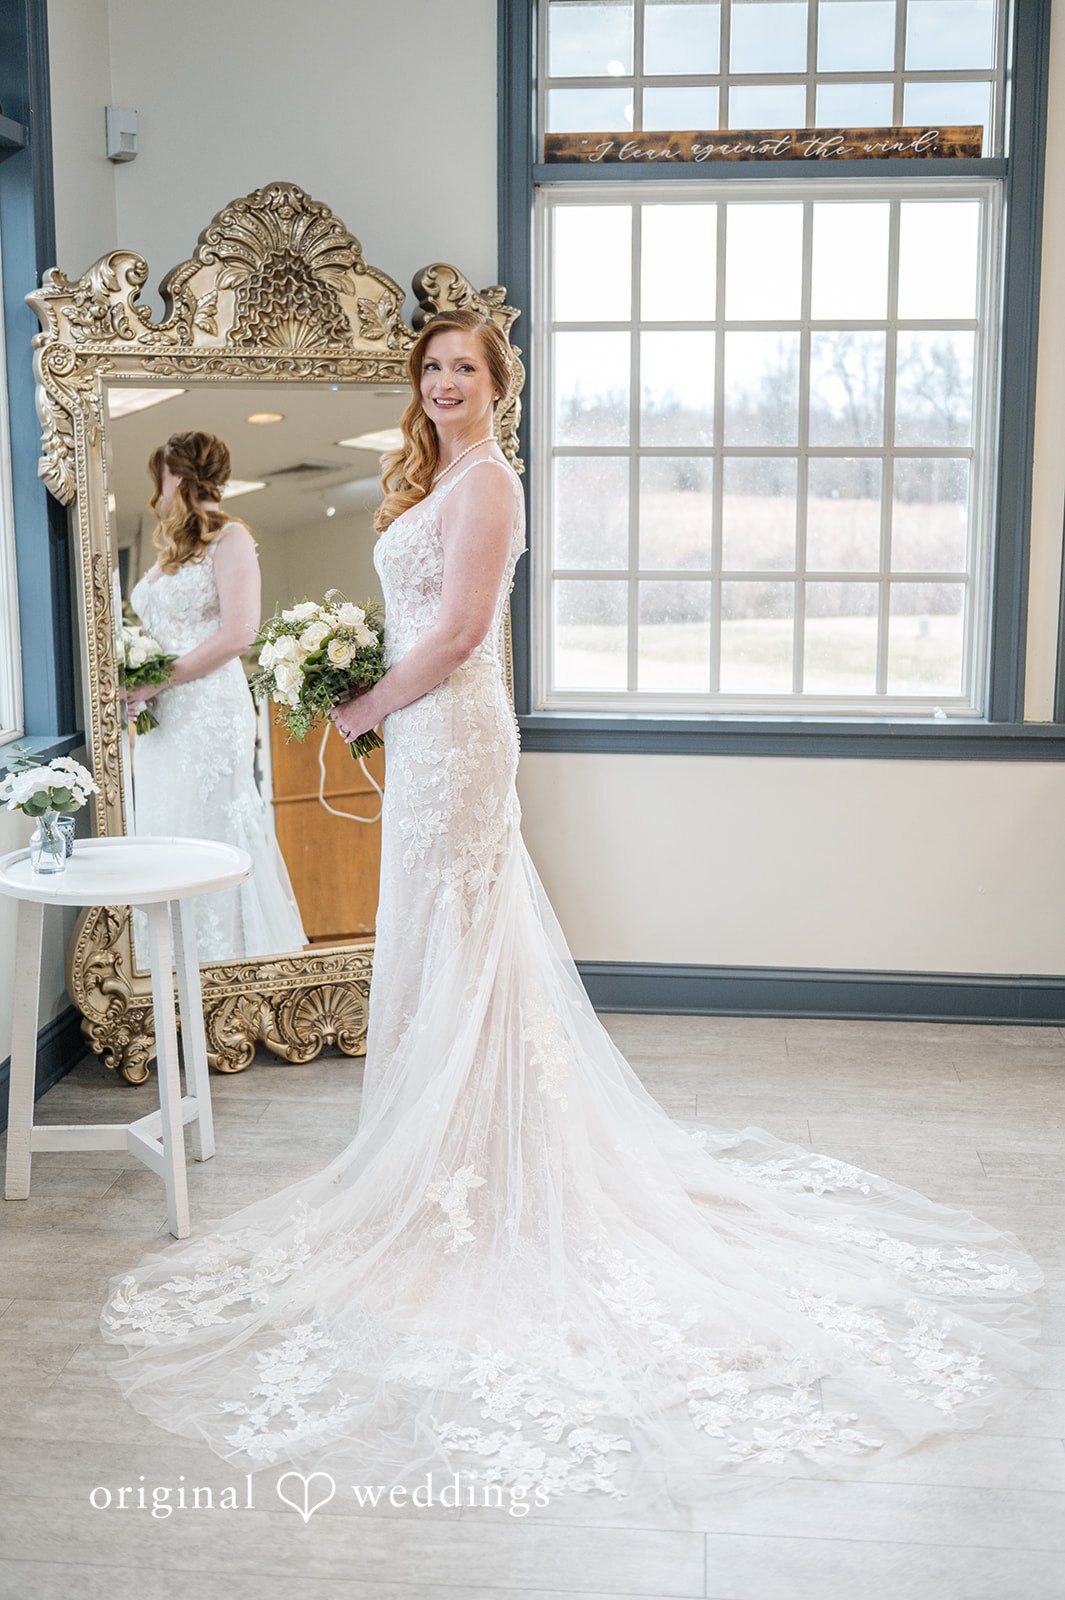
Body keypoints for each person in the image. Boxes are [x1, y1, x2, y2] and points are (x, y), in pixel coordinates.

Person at [99, 314, 1041, 1518]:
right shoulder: (431, 477)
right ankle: (442, 1152)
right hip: (425, 730)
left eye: (465, 370)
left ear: (499, 387)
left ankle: (487, 1162)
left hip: (456, 730)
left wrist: (369, 701)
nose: (444, 385)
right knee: (437, 938)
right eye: (431, 369)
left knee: (470, 932)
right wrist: (362, 686)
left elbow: (461, 630)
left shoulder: (490, 481)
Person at [125, 430, 306, 963]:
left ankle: (226, 966)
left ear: (176, 476)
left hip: (208, 708)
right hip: (166, 717)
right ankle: (162, 970)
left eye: (159, 478)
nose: (155, 492)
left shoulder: (232, 538)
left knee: (208, 825)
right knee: (164, 824)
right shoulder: (174, 550)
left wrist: (158, 678)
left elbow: (238, 635)